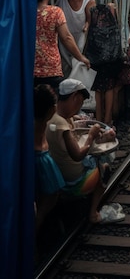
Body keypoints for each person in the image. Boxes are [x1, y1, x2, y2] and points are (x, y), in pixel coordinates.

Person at [46, 79, 125, 224]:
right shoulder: (61, 124)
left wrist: (81, 122)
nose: (79, 107)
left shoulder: (52, 115)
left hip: (57, 176)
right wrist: (91, 136)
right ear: (74, 96)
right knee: (104, 167)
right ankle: (93, 214)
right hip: (72, 182)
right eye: (80, 102)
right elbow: (78, 155)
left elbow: (72, 131)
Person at [92, 0, 130, 120]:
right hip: (101, 44)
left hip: (123, 41)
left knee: (129, 75)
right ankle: (108, 116)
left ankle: (126, 108)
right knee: (105, 81)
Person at [34, 0, 90, 92]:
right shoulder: (55, 12)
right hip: (51, 68)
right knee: (53, 101)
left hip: (29, 68)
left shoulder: (23, 13)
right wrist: (80, 57)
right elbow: (66, 38)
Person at [34, 84, 65, 234]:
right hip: (41, 160)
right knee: (48, 199)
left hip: (40, 157)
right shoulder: (40, 124)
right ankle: (33, 233)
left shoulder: (36, 120)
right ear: (51, 109)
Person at [55, 0, 96, 77]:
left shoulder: (88, 1)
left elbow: (90, 23)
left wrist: (87, 25)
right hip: (62, 48)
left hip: (81, 48)